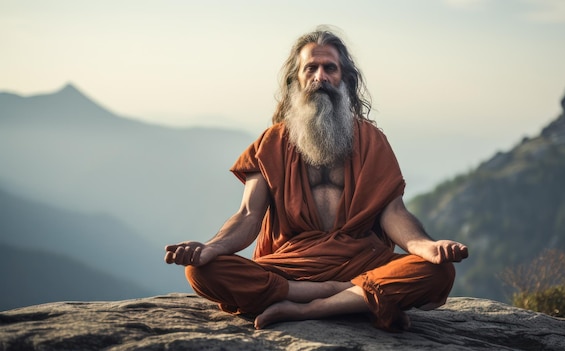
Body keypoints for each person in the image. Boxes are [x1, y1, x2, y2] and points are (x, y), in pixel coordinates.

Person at [164, 27, 469, 332]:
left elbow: (394, 213)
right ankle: (358, 298)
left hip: (360, 260)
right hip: (291, 266)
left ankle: (307, 308)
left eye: (330, 68)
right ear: (295, 79)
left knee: (438, 272)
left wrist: (426, 246)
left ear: (345, 79)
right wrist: (211, 248)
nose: (320, 77)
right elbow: (247, 216)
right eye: (310, 68)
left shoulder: (372, 140)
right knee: (200, 271)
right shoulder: (271, 142)